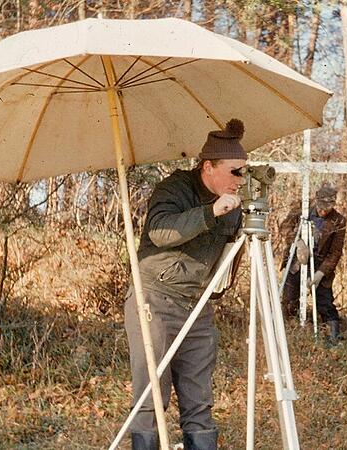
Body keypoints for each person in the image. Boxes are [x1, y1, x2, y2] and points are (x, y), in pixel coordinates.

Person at [124, 119, 247, 450]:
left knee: (199, 404)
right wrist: (210, 213)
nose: (241, 180)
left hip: (197, 306)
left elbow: (228, 260)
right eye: (235, 171)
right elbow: (160, 231)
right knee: (151, 400)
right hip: (155, 301)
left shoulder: (234, 204)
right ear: (209, 167)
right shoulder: (175, 188)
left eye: (243, 172)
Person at [278, 182, 346, 345]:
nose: (323, 211)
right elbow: (285, 227)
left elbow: (335, 252)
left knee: (325, 302)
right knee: (289, 300)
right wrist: (298, 242)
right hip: (296, 262)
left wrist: (320, 274)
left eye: (327, 207)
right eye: (321, 206)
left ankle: (332, 338)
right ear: (316, 201)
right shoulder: (303, 210)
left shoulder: (338, 221)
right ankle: (288, 336)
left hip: (320, 265)